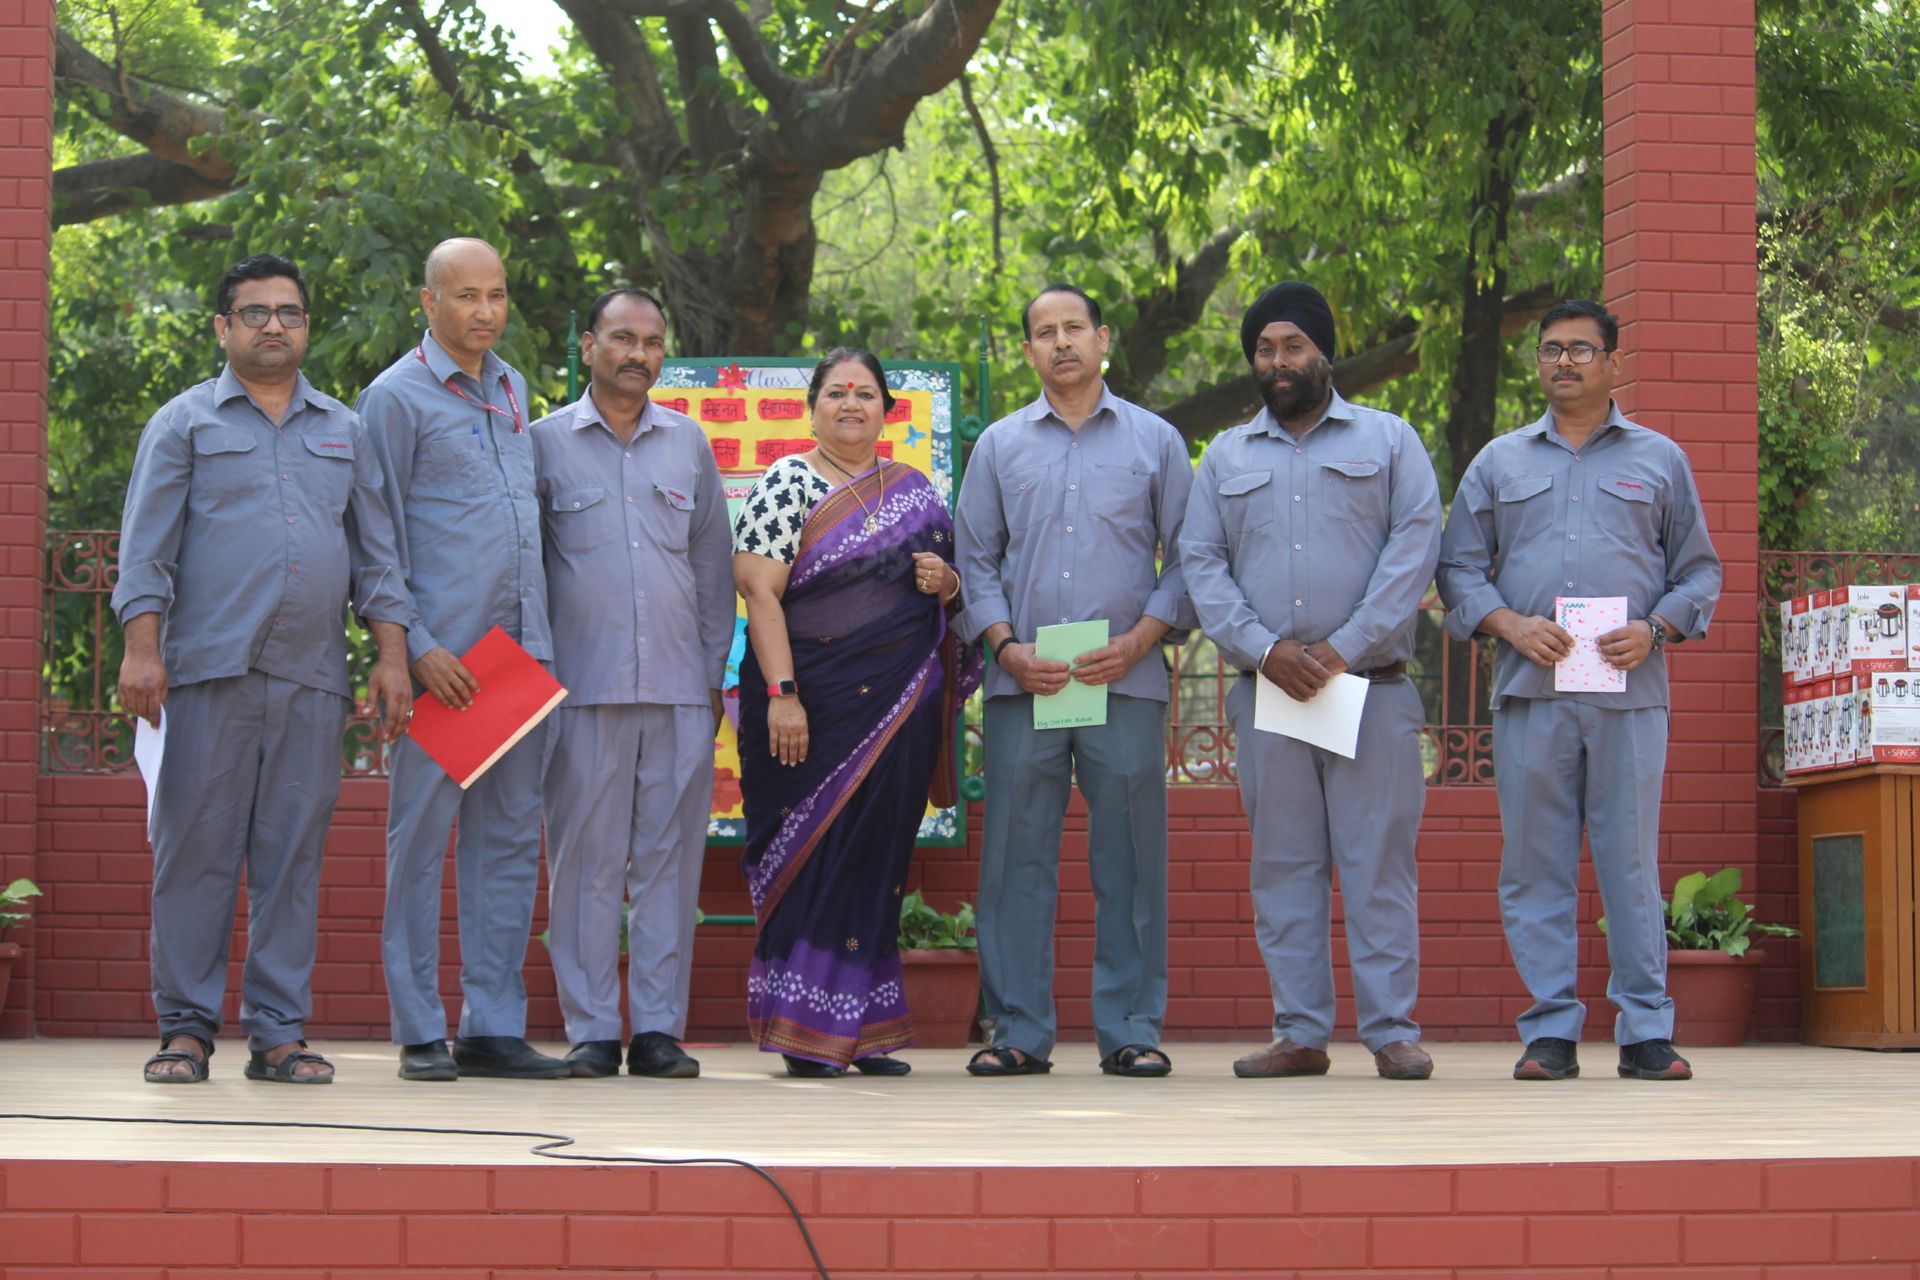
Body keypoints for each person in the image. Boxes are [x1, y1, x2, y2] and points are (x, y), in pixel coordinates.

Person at [113, 253, 415, 1084]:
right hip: (206, 674)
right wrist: (141, 649)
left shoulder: (344, 429)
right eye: (255, 312)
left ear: (306, 327)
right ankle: (185, 1030)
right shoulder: (184, 423)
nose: (273, 325)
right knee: (196, 855)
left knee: (292, 860)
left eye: (289, 313)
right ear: (223, 327)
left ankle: (279, 1034)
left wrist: (392, 656)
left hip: (311, 678)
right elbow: (146, 552)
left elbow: (378, 560)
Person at [1436, 298, 1722, 1083]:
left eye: (1581, 350)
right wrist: (1509, 624)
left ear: (1614, 362)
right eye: (1550, 349)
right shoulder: (1499, 463)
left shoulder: (1660, 460)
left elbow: (1699, 572)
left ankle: (1646, 1032)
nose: (1563, 362)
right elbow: (1458, 567)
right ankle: (1551, 1032)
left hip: (1629, 694)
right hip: (1533, 690)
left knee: (1629, 864)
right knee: (1535, 867)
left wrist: (1655, 628)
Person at [1181, 280, 1440, 1081]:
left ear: (1324, 351)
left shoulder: (1391, 442)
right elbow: (1201, 564)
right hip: (1272, 695)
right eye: (1264, 349)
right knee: (1284, 867)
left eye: (1293, 345)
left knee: (1378, 866)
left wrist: (1341, 649)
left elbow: (1414, 549)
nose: (1278, 361)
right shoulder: (1225, 457)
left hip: (1373, 692)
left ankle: (1392, 1031)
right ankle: (1299, 1033)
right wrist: (1266, 651)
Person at [952, 284, 1193, 1079]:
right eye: (1045, 332)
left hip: (1123, 680)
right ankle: (1018, 1029)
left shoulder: (1156, 442)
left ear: (1103, 339)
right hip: (1027, 684)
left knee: (1130, 860)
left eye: (1074, 328)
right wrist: (1006, 649)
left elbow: (1190, 559)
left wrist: (1141, 641)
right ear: (1028, 351)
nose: (1061, 342)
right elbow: (974, 560)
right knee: (1015, 857)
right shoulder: (999, 447)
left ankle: (1130, 1028)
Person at [732, 347, 981, 1077]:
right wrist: (783, 696)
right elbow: (759, 592)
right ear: (813, 408)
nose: (851, 404)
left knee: (877, 865)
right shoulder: (788, 482)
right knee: (814, 858)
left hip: (898, 719)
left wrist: (947, 582)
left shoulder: (914, 492)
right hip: (809, 711)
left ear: (886, 411)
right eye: (836, 392)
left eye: (865, 393)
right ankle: (804, 1032)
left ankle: (863, 1030)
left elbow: (952, 602)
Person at [358, 237, 564, 1081]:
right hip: (445, 665)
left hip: (519, 657)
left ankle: (491, 1027)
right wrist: (413, 648)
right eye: (466, 295)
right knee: (419, 846)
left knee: (509, 842)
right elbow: (374, 536)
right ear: (429, 301)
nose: (485, 311)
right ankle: (419, 1028)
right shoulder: (393, 398)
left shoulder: (513, 388)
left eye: (497, 294)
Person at [531, 288, 732, 1079]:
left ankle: (656, 1030)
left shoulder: (689, 444)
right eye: (621, 338)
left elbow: (712, 569)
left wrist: (711, 678)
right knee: (583, 864)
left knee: (668, 867)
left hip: (679, 690)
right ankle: (589, 1029)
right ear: (588, 346)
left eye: (651, 342)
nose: (637, 354)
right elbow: (524, 572)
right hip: (580, 689)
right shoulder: (543, 443)